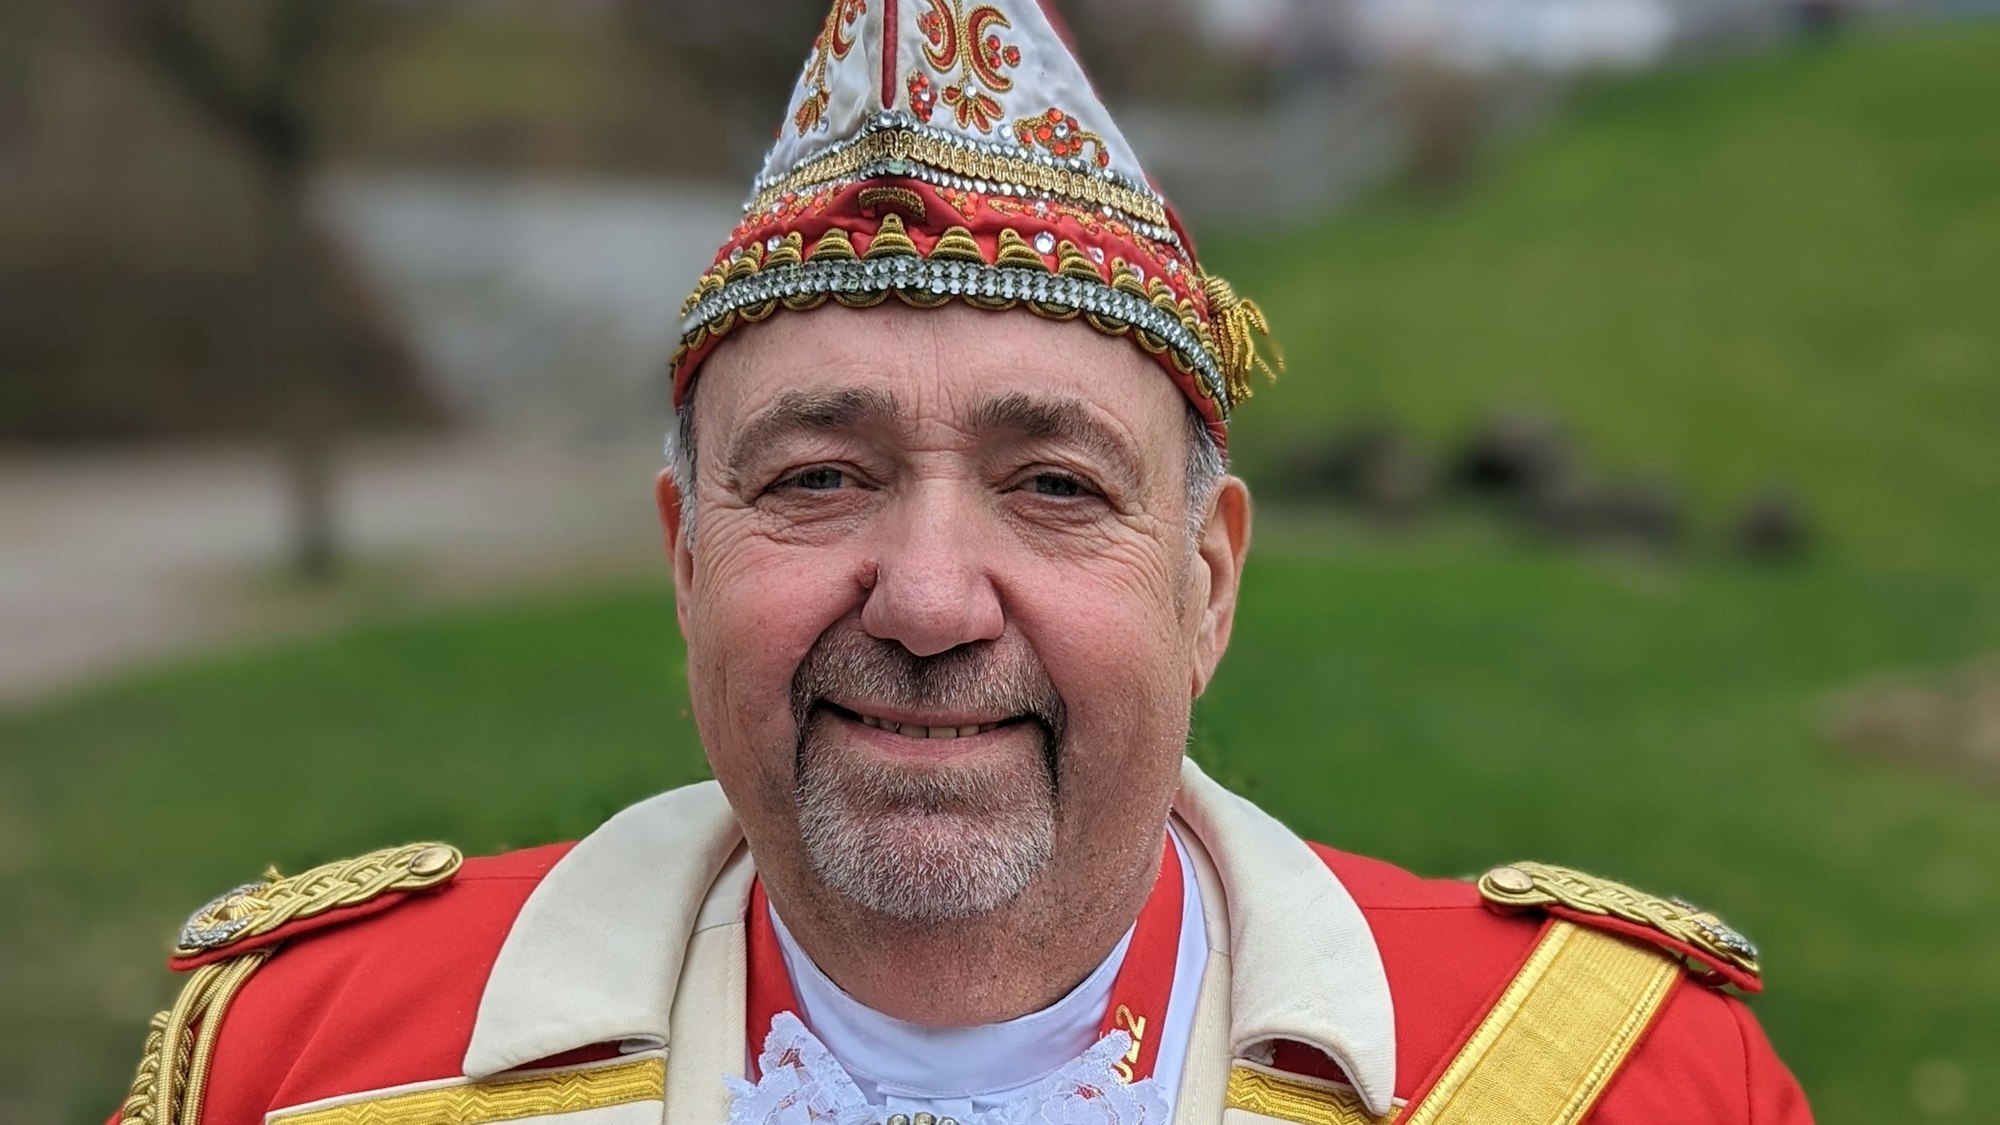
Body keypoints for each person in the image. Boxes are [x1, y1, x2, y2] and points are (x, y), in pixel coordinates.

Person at [113, 4, 1812, 1124]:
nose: (928, 601)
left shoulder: (1621, 1077)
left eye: (1055, 483)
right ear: (685, 555)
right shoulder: (300, 1063)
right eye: (822, 474)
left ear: (1208, 582)